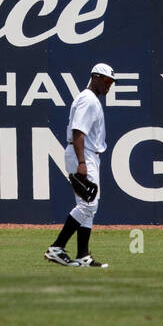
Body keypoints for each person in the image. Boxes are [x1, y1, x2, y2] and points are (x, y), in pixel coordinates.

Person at [44, 63, 115, 268]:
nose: (109, 85)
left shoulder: (92, 99)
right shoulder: (88, 99)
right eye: (107, 80)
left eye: (111, 82)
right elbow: (78, 132)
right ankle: (57, 248)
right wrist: (82, 162)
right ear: (95, 77)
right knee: (88, 204)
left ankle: (83, 255)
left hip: (87, 154)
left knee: (89, 207)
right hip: (82, 154)